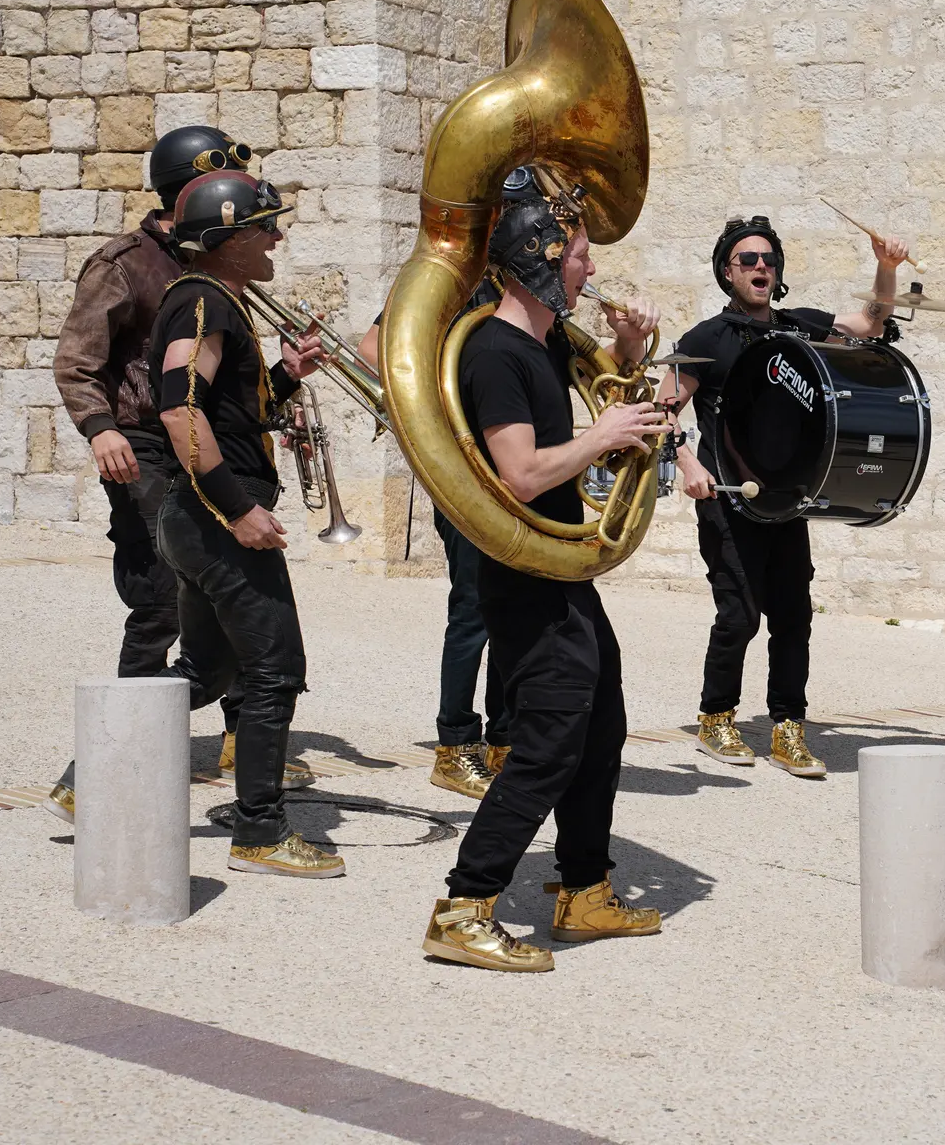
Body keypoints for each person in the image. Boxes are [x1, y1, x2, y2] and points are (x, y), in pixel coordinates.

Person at [422, 179, 667, 972]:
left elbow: (610, 388)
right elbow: (521, 474)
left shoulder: (544, 340)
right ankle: (464, 907)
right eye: (580, 257)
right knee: (549, 744)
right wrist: (602, 437)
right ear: (539, 260)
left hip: (560, 573)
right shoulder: (495, 354)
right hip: (525, 572)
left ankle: (583, 890)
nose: (590, 271)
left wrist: (628, 351)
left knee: (600, 727)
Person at [46, 127, 306, 824]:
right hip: (141, 441)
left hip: (189, 443)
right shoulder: (127, 264)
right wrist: (99, 428)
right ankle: (109, 765)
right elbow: (80, 361)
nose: (270, 232)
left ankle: (240, 737)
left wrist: (282, 377)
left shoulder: (215, 277)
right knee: (165, 595)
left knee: (217, 611)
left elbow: (222, 399)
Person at [654, 215, 909, 778]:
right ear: (727, 272)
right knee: (739, 615)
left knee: (794, 617)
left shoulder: (798, 327)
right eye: (747, 259)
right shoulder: (707, 339)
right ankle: (716, 717)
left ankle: (788, 728)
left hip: (786, 500)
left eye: (768, 259)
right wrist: (689, 462)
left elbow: (870, 323)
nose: (760, 267)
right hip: (728, 498)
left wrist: (885, 267)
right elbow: (662, 409)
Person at [150, 170, 340, 877]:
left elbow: (228, 413)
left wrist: (285, 377)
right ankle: (260, 831)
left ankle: (91, 777)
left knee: (206, 670)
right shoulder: (202, 301)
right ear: (227, 239)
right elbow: (180, 408)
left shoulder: (214, 300)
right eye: (264, 228)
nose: (276, 238)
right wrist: (237, 508)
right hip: (214, 519)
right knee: (275, 670)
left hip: (197, 517)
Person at [358, 238, 510, 802]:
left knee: (513, 608)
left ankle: (505, 739)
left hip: (516, 470)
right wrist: (434, 412)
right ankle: (455, 746)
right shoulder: (451, 284)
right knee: (473, 609)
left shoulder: (526, 291)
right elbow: (372, 348)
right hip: (464, 468)